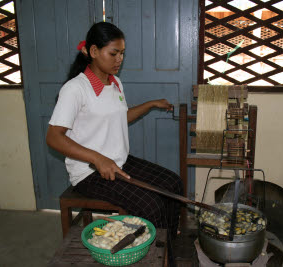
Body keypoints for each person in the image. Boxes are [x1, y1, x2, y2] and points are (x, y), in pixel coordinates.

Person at [46, 22, 183, 245]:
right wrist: (97, 158)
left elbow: (119, 118)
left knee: (173, 184)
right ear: (93, 51)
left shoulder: (115, 82)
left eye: (122, 53)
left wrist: (150, 104)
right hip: (89, 172)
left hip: (118, 162)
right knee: (151, 206)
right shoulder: (75, 89)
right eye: (114, 53)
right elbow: (53, 137)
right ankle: (154, 255)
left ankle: (168, 249)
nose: (119, 59)